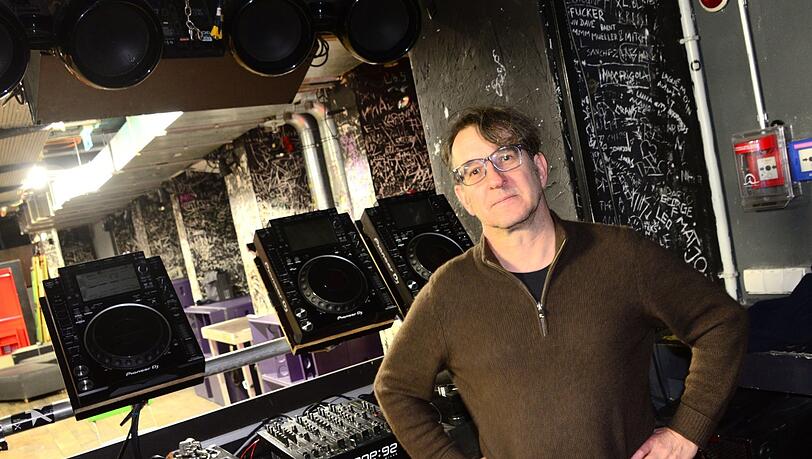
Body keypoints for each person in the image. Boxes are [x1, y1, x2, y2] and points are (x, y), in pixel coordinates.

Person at [373, 106, 748, 458]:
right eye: (474, 171)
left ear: (538, 168)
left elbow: (721, 322)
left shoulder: (621, 255)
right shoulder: (447, 292)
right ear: (464, 198)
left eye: (506, 157)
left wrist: (687, 431)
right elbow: (394, 389)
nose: (495, 180)